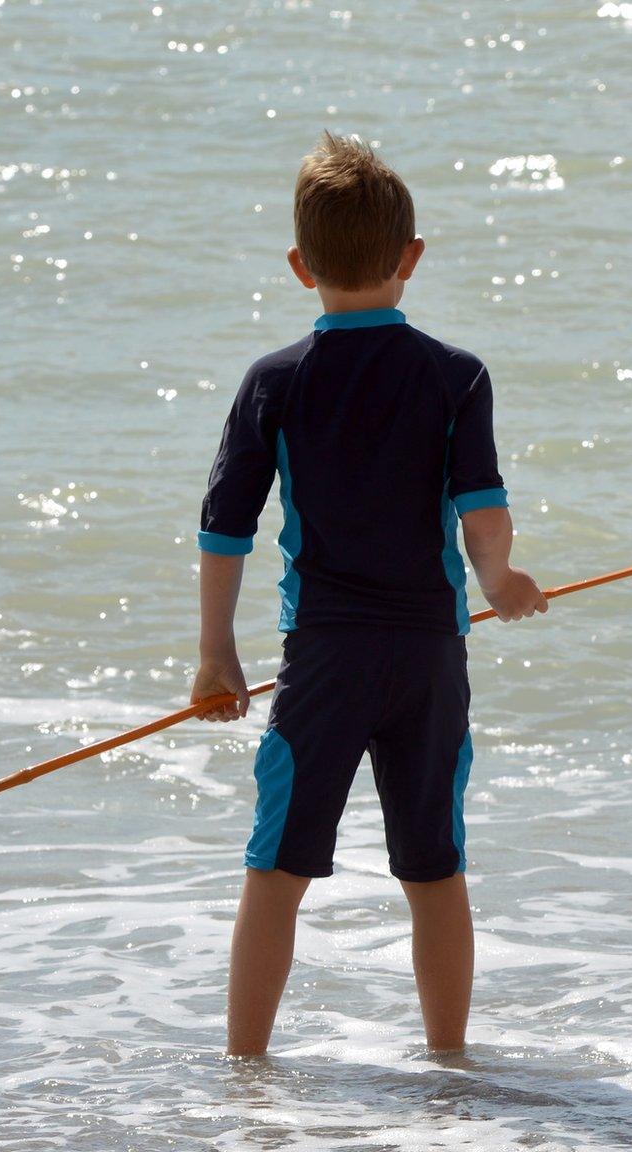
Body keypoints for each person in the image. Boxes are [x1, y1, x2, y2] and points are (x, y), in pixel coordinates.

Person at [190, 132, 547, 1056]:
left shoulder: (274, 381)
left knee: (276, 867)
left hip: (323, 659)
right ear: (411, 259)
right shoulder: (457, 376)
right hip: (428, 655)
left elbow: (226, 526)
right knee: (435, 869)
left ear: (301, 265)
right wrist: (500, 585)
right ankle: (448, 1061)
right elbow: (484, 511)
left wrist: (214, 654)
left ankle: (246, 1069)